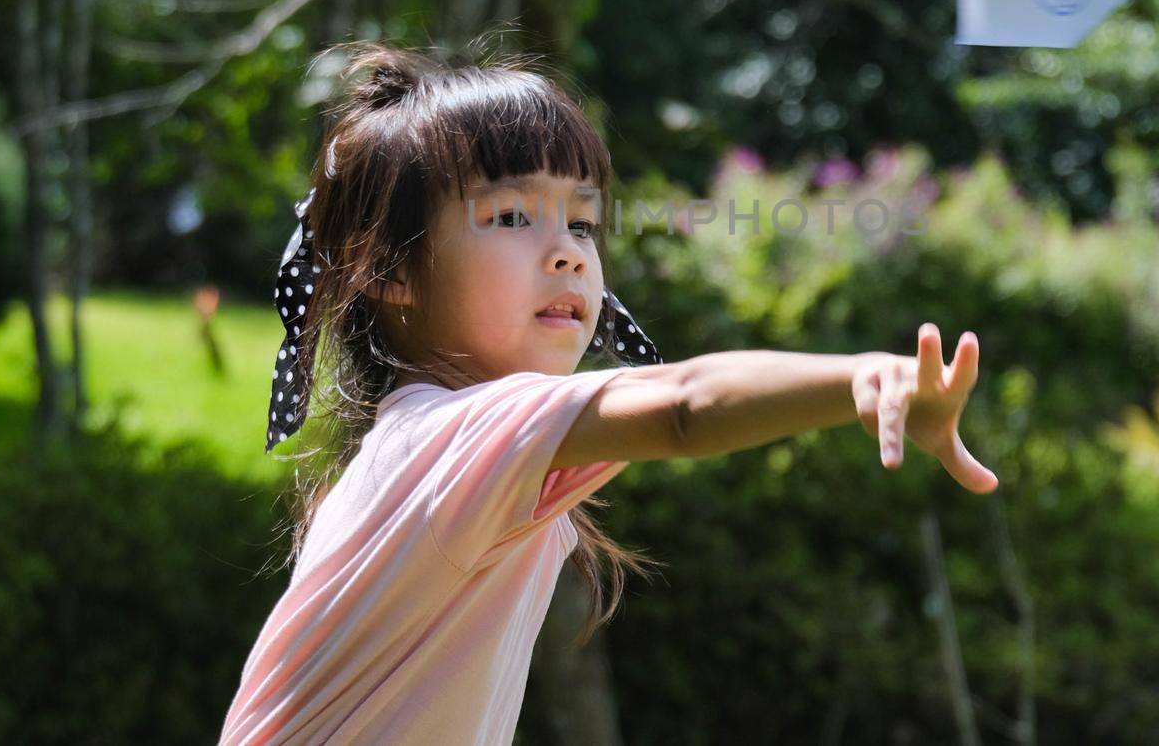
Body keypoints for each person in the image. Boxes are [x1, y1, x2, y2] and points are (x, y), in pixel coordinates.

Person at [219, 40, 998, 744]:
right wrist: (860, 376)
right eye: (514, 215)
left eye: (583, 224)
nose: (566, 253)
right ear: (389, 269)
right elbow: (685, 406)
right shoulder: (446, 434)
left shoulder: (442, 446)